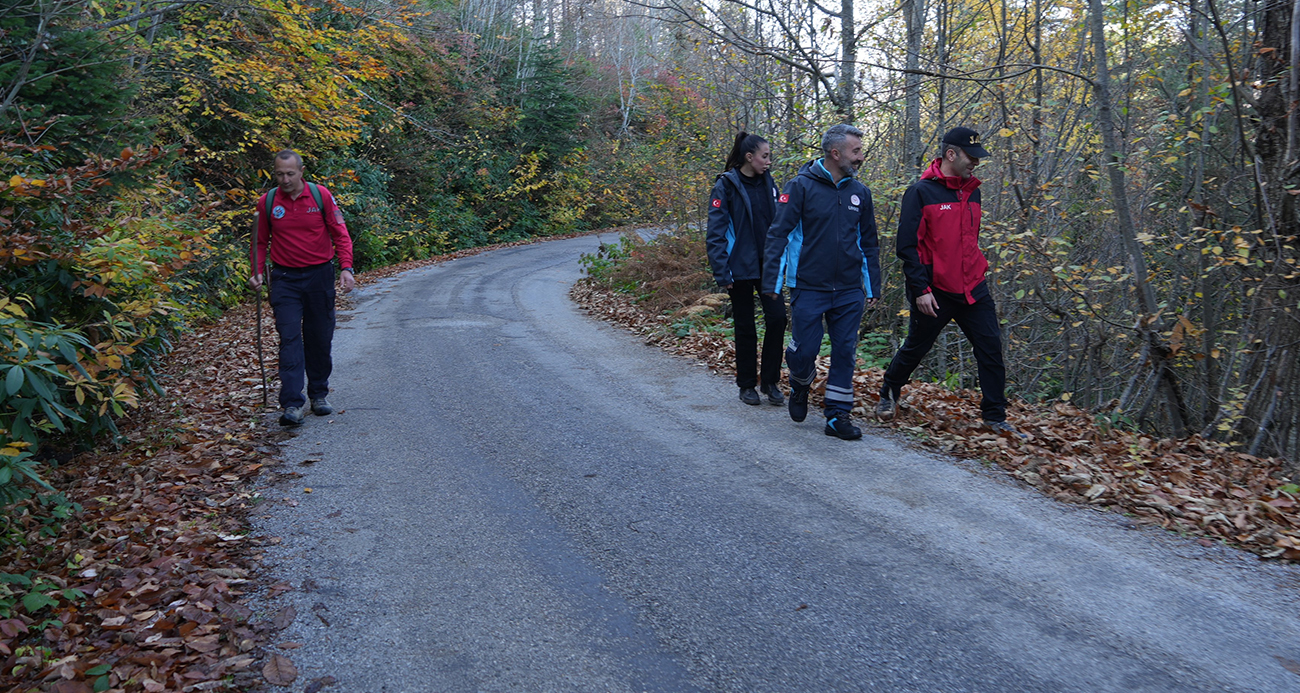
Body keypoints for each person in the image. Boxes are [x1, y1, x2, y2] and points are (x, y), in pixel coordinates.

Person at [876, 127, 1023, 436]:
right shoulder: (921, 192)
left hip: (973, 288)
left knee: (991, 348)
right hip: (935, 290)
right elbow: (907, 247)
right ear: (951, 154)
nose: (977, 163)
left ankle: (995, 417)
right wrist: (921, 290)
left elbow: (969, 241)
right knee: (917, 346)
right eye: (972, 157)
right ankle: (889, 389)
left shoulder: (974, 191)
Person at [763, 124, 882, 440]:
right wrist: (773, 282)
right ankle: (800, 384)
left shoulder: (860, 193)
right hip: (808, 286)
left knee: (845, 351)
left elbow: (869, 242)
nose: (860, 157)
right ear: (835, 153)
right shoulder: (800, 186)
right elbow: (779, 234)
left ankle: (836, 416)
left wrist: (872, 286)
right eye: (855, 151)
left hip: (847, 290)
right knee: (805, 351)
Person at [249, 149, 356, 426]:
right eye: (279, 174)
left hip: (319, 276)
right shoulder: (268, 201)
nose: (284, 179)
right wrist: (257, 272)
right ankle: (292, 403)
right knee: (289, 339)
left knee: (319, 337)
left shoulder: (321, 196)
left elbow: (339, 233)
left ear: (301, 171)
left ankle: (318, 394)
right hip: (284, 279)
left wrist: (346, 268)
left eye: (290, 173)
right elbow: (260, 242)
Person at [706, 132, 788, 407]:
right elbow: (716, 232)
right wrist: (722, 271)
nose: (768, 161)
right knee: (745, 327)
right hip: (738, 267)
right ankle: (746, 385)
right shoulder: (726, 186)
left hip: (768, 266)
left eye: (769, 156)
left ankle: (770, 381)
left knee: (777, 319)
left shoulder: (769, 183)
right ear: (749, 157)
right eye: (765, 156)